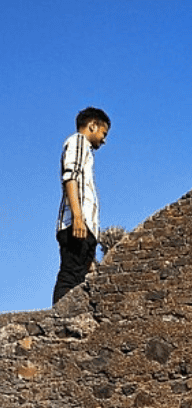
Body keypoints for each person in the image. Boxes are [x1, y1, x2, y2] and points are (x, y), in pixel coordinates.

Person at [53, 107, 111, 305]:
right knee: (70, 275)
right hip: (76, 224)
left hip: (86, 228)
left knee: (79, 278)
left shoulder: (86, 150)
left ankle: (67, 321)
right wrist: (78, 217)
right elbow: (70, 177)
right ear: (92, 125)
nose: (104, 140)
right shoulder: (78, 141)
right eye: (104, 133)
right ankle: (59, 323)